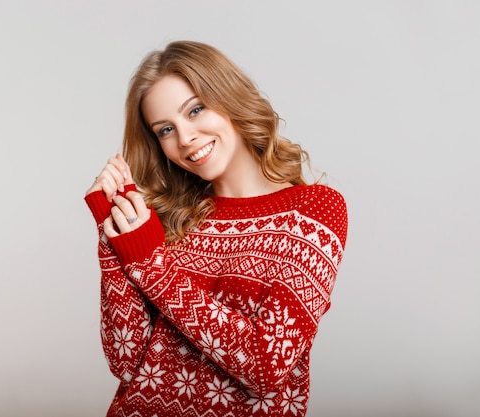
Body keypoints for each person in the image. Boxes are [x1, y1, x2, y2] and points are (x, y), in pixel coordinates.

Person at [84, 40, 348, 417]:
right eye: (165, 130)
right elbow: (127, 364)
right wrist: (113, 230)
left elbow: (265, 365)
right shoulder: (165, 219)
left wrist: (147, 261)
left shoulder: (312, 210)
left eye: (195, 110)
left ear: (228, 97)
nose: (185, 138)